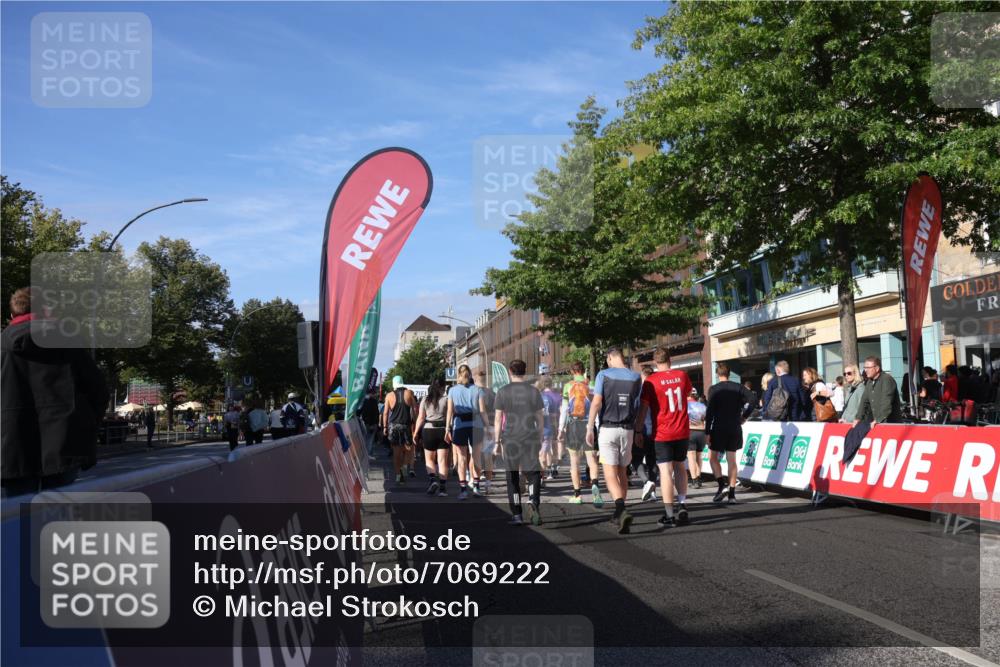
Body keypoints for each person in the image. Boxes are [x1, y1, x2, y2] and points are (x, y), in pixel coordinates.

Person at [1, 287, 109, 497]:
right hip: (65, 443)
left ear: (13, 314)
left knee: (19, 518)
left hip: (12, 447)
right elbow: (98, 391)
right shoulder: (69, 342)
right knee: (59, 517)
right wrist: (86, 426)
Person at [588, 347, 643, 535]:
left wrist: (589, 427)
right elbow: (637, 404)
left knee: (609, 472)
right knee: (622, 472)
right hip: (627, 428)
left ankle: (620, 509)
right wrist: (637, 429)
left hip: (608, 428)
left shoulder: (603, 375)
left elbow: (596, 402)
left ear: (611, 357)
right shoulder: (636, 377)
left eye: (608, 359)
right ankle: (620, 511)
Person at [637, 346, 692, 528]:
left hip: (662, 431)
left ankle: (669, 515)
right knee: (680, 467)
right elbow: (686, 396)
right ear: (670, 359)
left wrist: (638, 430)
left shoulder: (651, 381)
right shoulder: (683, 376)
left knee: (666, 472)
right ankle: (682, 504)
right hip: (682, 430)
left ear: (655, 362)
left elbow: (644, 409)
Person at [495, 359, 545, 526]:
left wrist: (496, 441)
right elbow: (539, 417)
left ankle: (517, 514)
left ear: (510, 371)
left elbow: (497, 419)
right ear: (525, 371)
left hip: (510, 438)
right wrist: (540, 436)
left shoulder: (502, 392)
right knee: (533, 473)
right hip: (530, 436)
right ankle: (533, 501)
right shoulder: (534, 391)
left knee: (512, 476)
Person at [705, 362, 756, 504]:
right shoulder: (738, 387)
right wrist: (744, 416)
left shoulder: (714, 389)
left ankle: (722, 485)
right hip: (734, 426)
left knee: (712, 457)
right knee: (731, 460)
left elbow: (709, 412)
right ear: (729, 373)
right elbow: (753, 399)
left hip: (719, 427)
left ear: (717, 374)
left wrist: (707, 431)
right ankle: (732, 495)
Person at [559, 361, 601, 506]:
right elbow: (597, 407)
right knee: (592, 459)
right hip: (589, 424)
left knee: (574, 461)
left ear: (572, 371)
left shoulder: (568, 386)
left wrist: (560, 430)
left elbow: (564, 410)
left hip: (573, 425)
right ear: (583, 370)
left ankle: (577, 495)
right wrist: (596, 426)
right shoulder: (592, 384)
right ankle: (595, 484)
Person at [446, 365, 487, 499]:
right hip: (476, 425)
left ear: (458, 374)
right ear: (470, 375)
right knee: (476, 457)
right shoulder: (477, 390)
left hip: (459, 425)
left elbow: (450, 411)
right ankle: (476, 487)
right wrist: (488, 426)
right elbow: (482, 411)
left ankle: (463, 489)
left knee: (462, 458)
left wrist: (447, 428)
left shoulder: (452, 391)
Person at [414, 378, 450, 496]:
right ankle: (443, 489)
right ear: (443, 388)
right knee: (442, 461)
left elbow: (421, 418)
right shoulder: (447, 400)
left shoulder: (425, 399)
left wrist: (415, 433)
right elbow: (449, 416)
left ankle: (433, 480)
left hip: (428, 430)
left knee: (429, 459)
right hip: (442, 431)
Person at [382, 375, 417, 485]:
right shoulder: (409, 393)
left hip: (394, 426)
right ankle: (405, 466)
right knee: (408, 449)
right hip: (406, 425)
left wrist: (384, 427)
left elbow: (386, 413)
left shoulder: (389, 396)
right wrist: (415, 423)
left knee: (396, 452)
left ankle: (398, 475)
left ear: (394, 384)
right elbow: (415, 409)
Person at [635, 366, 659, 500]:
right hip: (655, 431)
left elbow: (636, 411)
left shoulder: (640, 391)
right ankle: (653, 490)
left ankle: (646, 482)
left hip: (641, 430)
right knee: (652, 462)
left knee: (636, 459)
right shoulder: (657, 390)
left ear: (642, 376)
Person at [857, 356, 902, 425]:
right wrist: (858, 418)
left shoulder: (887, 379)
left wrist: (878, 419)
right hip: (877, 423)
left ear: (877, 368)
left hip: (890, 424)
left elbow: (886, 402)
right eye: (865, 368)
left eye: (868, 368)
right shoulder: (869, 382)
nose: (865, 370)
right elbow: (864, 401)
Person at [474, 370, 498, 491]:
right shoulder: (493, 393)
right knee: (488, 455)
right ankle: (488, 483)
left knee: (475, 455)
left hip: (477, 427)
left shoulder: (474, 392)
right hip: (492, 426)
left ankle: (474, 481)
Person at [537, 376, 562, 481]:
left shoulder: (539, 396)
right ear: (551, 384)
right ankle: (553, 468)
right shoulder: (557, 396)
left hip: (540, 427)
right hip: (553, 425)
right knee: (553, 447)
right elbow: (559, 412)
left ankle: (543, 472)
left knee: (543, 450)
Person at [686, 388, 708, 490]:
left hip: (690, 431)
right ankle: (698, 478)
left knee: (691, 458)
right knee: (699, 456)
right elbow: (705, 418)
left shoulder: (685, 405)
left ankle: (694, 480)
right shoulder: (702, 406)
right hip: (701, 432)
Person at [360, 392, 380, 456]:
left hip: (365, 423)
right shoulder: (374, 402)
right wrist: (375, 423)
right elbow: (376, 413)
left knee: (364, 438)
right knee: (370, 439)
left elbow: (362, 413)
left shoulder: (363, 401)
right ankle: (368, 453)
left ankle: (365, 453)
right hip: (372, 423)